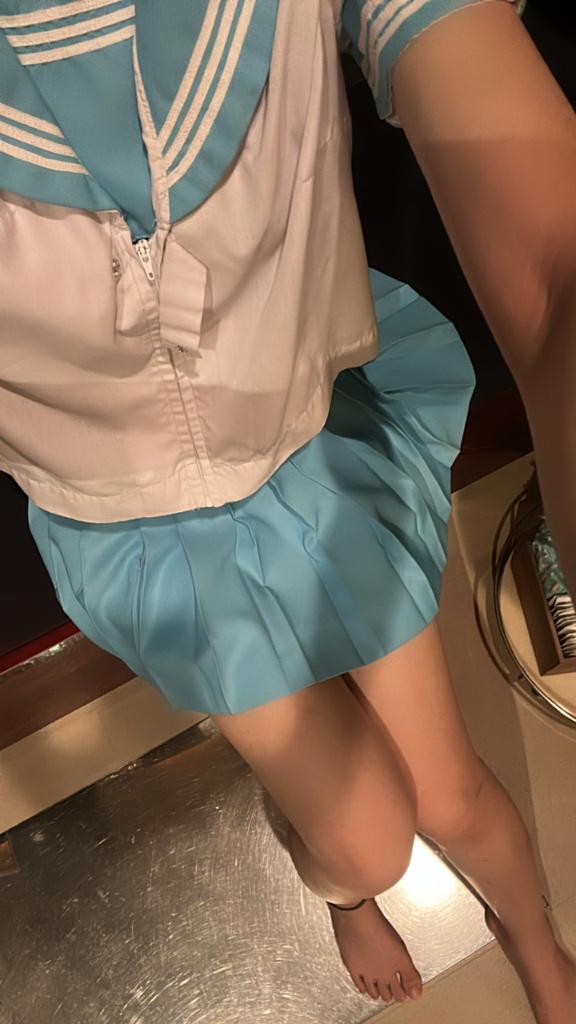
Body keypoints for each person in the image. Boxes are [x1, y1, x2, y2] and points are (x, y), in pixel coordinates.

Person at [1, 0, 575, 1018]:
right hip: (139, 533)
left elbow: (553, 268)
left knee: (451, 798)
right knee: (367, 840)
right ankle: (348, 893)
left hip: (313, 441)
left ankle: (531, 933)